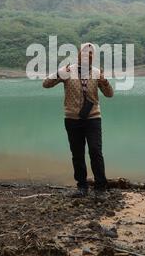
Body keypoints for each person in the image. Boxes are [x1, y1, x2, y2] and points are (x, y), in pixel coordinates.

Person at [42, 43, 114, 199]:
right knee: (77, 154)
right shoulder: (68, 71)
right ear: (79, 54)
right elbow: (46, 84)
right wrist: (59, 73)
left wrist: (105, 81)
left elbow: (109, 94)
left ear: (92, 57)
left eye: (90, 54)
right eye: (84, 52)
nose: (87, 55)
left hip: (93, 118)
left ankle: (101, 188)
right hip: (72, 119)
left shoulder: (96, 73)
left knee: (95, 151)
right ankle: (82, 187)